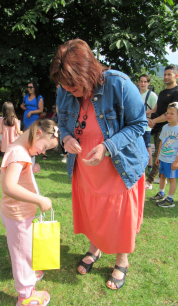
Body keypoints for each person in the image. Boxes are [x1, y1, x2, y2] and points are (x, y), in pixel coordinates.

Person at [50, 39, 148, 290]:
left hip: (118, 163)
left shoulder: (120, 83)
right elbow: (61, 121)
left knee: (118, 214)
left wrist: (107, 147)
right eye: (65, 87)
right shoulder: (64, 88)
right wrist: (67, 137)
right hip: (85, 165)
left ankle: (121, 260)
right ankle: (94, 249)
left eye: (73, 87)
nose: (69, 91)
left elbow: (138, 124)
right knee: (92, 208)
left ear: (88, 73)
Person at [0, 119, 58, 306]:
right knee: (21, 254)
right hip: (18, 215)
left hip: (20, 214)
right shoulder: (18, 153)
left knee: (26, 248)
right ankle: (25, 295)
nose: (43, 152)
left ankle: (29, 276)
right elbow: (9, 186)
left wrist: (31, 169)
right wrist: (39, 200)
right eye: (45, 147)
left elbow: (18, 175)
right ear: (38, 134)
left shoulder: (20, 150)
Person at [146, 65, 178, 190]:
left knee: (160, 156)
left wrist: (153, 120)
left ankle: (149, 182)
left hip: (170, 130)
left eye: (169, 74)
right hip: (158, 128)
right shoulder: (163, 92)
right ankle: (161, 190)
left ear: (176, 76)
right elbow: (156, 109)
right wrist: (145, 115)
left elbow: (170, 114)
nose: (165, 77)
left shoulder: (176, 92)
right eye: (165, 74)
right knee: (158, 155)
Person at [150, 102, 178, 208]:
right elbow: (161, 141)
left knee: (171, 179)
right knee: (162, 176)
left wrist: (176, 161)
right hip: (163, 158)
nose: (169, 115)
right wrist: (158, 157)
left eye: (172, 113)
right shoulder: (165, 127)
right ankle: (161, 193)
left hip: (172, 160)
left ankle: (170, 199)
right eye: (167, 113)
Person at [138, 74, 158, 174]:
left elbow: (156, 111)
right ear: (138, 82)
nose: (143, 83)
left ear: (148, 83)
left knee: (147, 146)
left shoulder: (152, 95)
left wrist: (146, 116)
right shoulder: (135, 94)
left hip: (146, 126)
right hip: (135, 126)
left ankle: (149, 167)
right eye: (141, 81)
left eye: (145, 81)